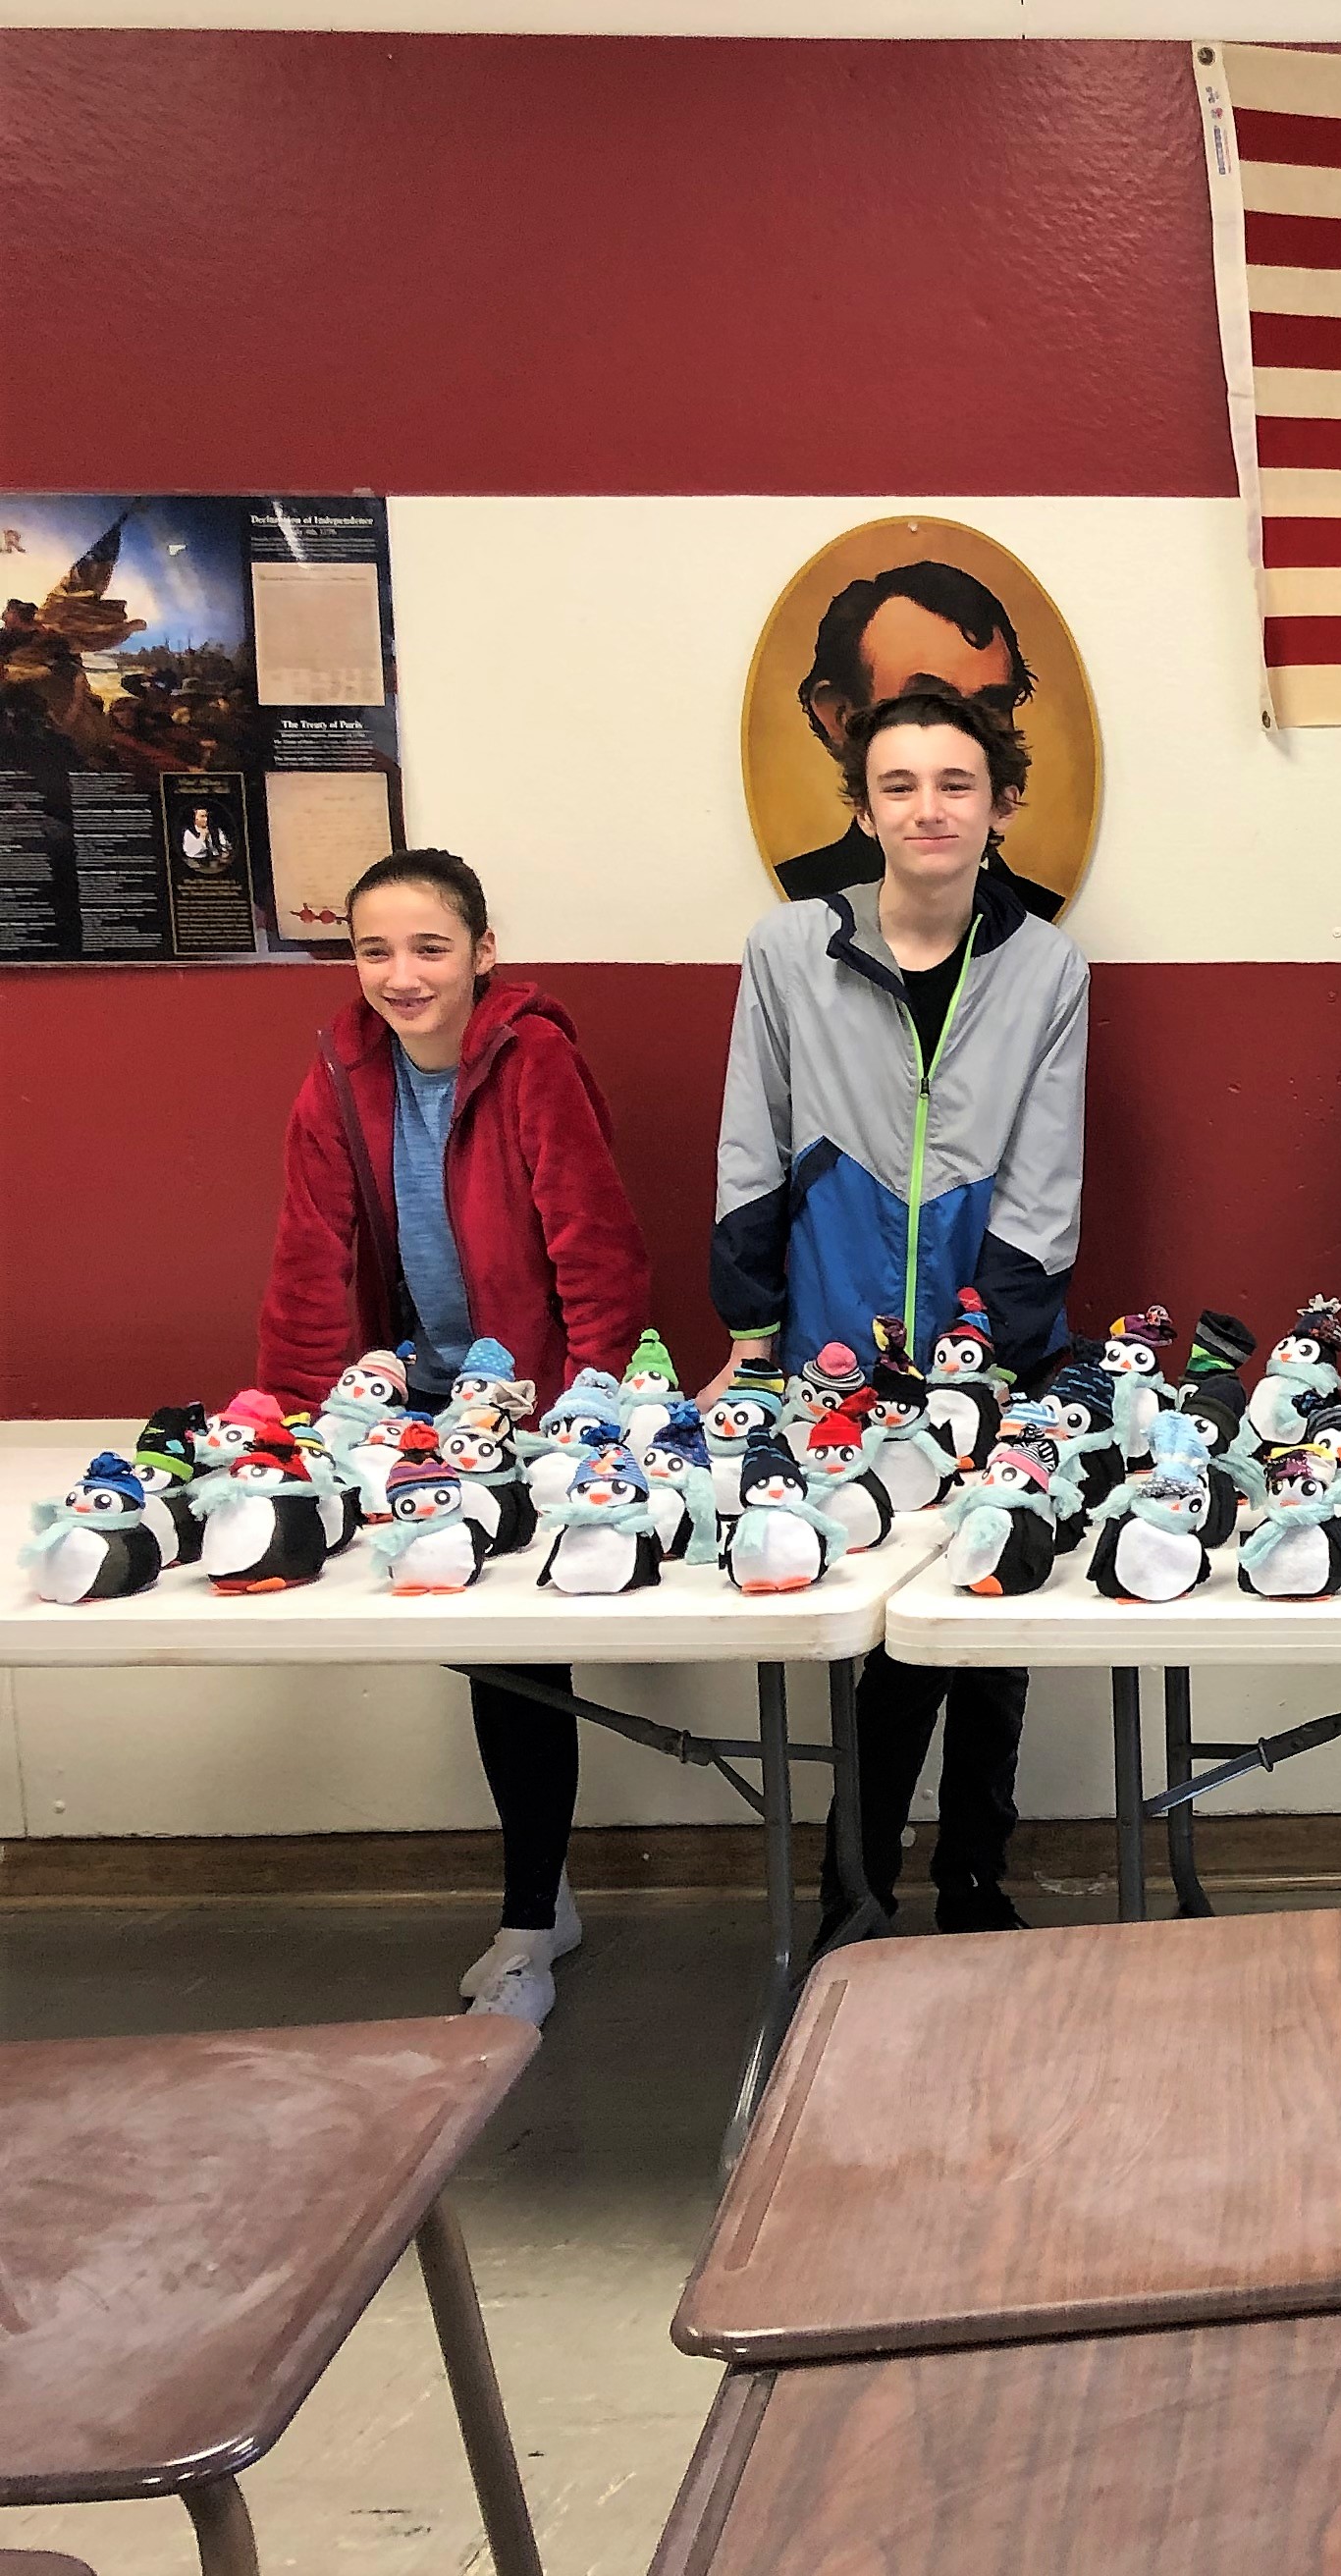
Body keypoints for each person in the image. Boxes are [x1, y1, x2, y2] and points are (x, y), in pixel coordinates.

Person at [260, 845, 653, 2028]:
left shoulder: (533, 1060)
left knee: (520, 1662)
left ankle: (531, 1921)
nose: (399, 973)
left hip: (534, 1407)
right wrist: (290, 1425)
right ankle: (542, 1903)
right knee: (481, 1654)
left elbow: (596, 1246)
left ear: (485, 952)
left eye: (429, 947)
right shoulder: (338, 1071)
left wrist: (588, 1403)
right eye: (373, 949)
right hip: (410, 1407)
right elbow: (310, 1256)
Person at [716, 685, 1087, 1934]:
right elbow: (751, 1146)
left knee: (991, 1623)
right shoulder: (785, 950)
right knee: (864, 1643)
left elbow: (1045, 1180)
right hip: (835, 1349)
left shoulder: (1046, 964)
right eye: (900, 785)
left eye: (956, 784)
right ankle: (852, 1893)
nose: (929, 809)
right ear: (864, 808)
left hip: (1000, 1352)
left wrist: (996, 1348)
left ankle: (976, 1880)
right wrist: (752, 1338)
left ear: (1001, 805)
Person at [773, 561, 1066, 913]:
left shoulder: (1040, 927)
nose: (959, 733)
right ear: (839, 715)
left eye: (991, 705)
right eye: (924, 703)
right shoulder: (800, 916)